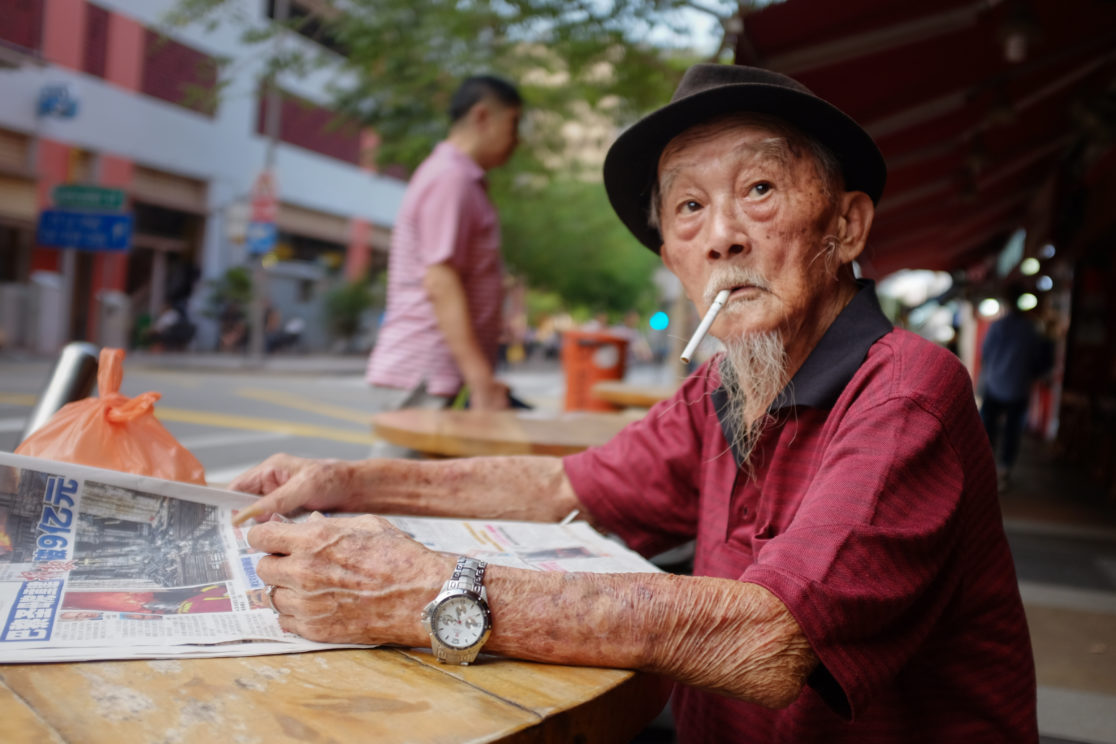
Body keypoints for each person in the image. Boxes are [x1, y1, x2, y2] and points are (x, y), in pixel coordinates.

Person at [232, 64, 1037, 742]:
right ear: (673, 258)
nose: (720, 236)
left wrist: (435, 594)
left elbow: (772, 637)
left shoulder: (905, 393)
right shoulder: (723, 388)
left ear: (848, 226)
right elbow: (560, 488)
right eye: (689, 208)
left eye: (759, 189)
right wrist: (347, 481)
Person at [364, 74, 522, 448]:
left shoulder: (457, 178)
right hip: (427, 373)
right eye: (513, 124)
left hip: (437, 372)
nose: (517, 139)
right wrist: (481, 381)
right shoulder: (452, 180)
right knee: (400, 499)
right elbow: (440, 282)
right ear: (482, 116)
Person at [980, 285, 1053, 487]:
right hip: (1019, 386)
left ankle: (983, 467)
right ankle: (1004, 469)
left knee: (987, 430)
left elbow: (985, 353)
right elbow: (1037, 359)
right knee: (1012, 431)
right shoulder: (1030, 328)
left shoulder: (997, 326)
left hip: (994, 384)